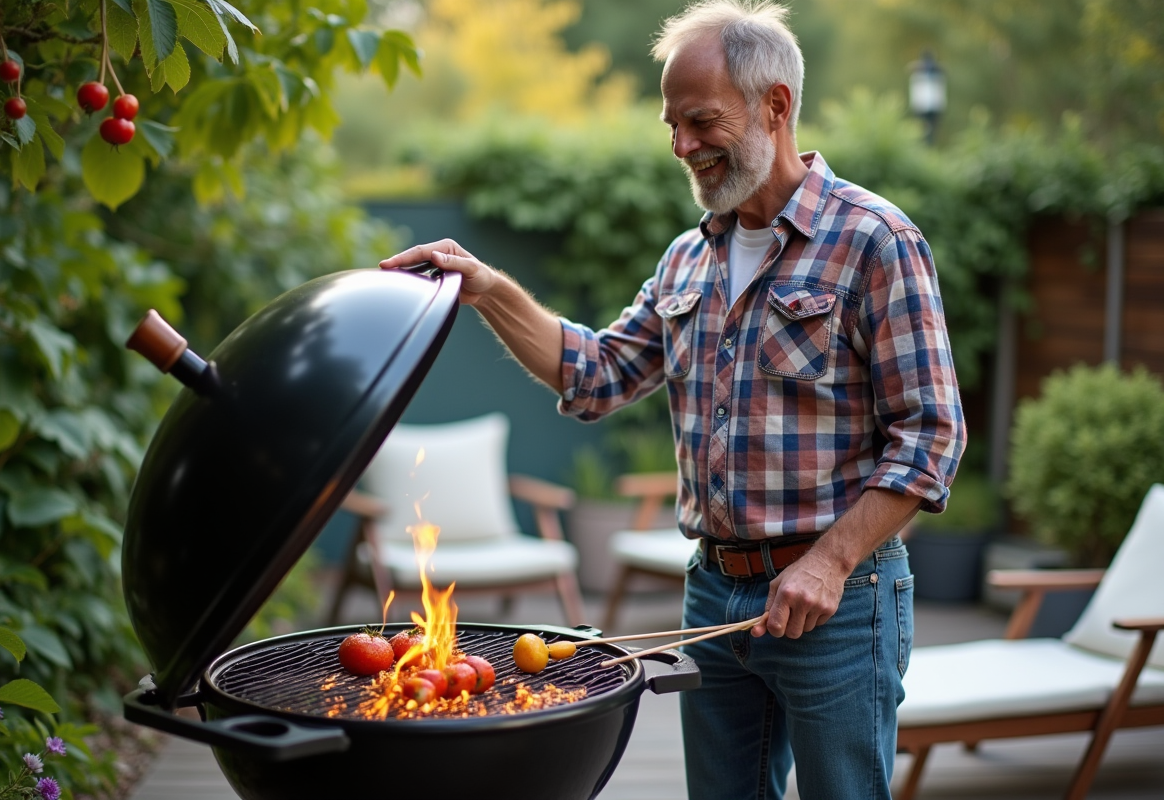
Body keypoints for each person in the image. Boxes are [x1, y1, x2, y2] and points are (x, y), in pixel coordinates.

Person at [380, 1, 966, 796]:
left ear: (777, 106)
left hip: (841, 603)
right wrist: (485, 289)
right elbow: (596, 374)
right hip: (714, 594)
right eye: (671, 126)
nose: (683, 146)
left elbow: (931, 434)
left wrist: (828, 564)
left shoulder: (875, 240)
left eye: (701, 121)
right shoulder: (689, 257)